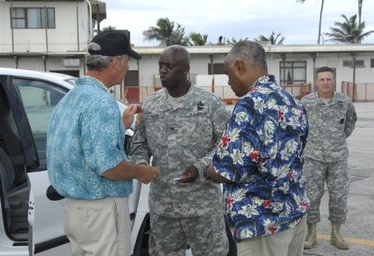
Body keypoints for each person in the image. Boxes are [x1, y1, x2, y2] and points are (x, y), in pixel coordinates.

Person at [47, 30, 160, 256]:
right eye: (127, 61)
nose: (128, 67)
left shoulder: (70, 98)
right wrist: (141, 171)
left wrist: (121, 123)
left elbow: (81, 144)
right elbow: (109, 166)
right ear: (115, 62)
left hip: (75, 212)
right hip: (101, 213)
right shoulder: (102, 103)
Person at [206, 40, 310, 256]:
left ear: (239, 66)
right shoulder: (293, 101)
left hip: (261, 224)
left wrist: (206, 170)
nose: (229, 81)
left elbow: (226, 170)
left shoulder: (250, 103)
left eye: (228, 73)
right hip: (294, 214)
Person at [130, 45, 231, 256]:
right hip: (164, 208)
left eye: (169, 66)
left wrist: (200, 167)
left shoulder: (210, 104)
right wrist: (140, 166)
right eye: (160, 66)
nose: (163, 71)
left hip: (202, 207)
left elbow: (227, 147)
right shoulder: (151, 105)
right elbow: (139, 144)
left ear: (185, 69)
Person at [300, 66, 357, 250]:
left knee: (339, 196)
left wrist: (335, 141)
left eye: (329, 79)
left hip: (338, 158)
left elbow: (349, 125)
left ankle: (336, 233)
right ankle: (311, 233)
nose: (325, 82)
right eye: (322, 79)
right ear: (316, 81)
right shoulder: (305, 102)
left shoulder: (345, 102)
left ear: (334, 81)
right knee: (311, 196)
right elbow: (300, 126)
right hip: (313, 157)